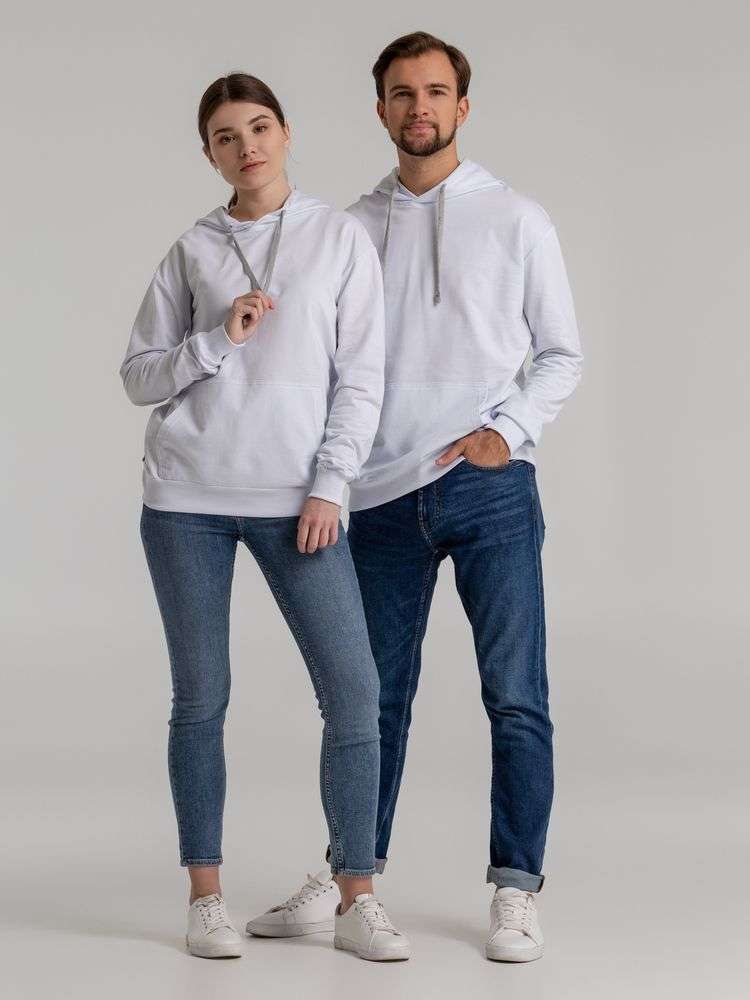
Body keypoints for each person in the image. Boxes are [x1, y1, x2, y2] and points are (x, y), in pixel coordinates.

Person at [253, 32, 583, 963]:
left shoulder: (517, 218)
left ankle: (515, 886)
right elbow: (316, 357)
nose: (420, 107)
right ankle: (349, 878)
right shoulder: (349, 228)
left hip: (488, 488)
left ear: (462, 107)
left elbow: (562, 352)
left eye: (436, 92)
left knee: (515, 695)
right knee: (369, 702)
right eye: (402, 93)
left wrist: (505, 432)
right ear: (381, 110)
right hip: (379, 496)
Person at [119, 71, 410, 962]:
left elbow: (362, 377)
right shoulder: (193, 249)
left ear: (285, 133)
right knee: (201, 698)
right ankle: (205, 896)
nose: (245, 146)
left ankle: (356, 895)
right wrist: (218, 339)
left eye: (258, 128)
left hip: (297, 502)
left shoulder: (338, 237)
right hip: (186, 501)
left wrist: (331, 484)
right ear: (208, 154)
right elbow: (138, 376)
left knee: (354, 694)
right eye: (225, 136)